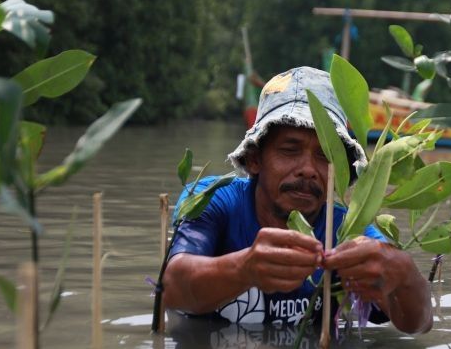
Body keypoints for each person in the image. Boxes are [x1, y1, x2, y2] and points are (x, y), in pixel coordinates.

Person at [162, 66, 432, 334]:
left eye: (325, 156)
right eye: (290, 151)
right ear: (255, 159)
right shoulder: (214, 199)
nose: (308, 169)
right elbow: (171, 288)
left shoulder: (345, 230)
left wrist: (404, 274)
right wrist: (245, 269)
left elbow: (417, 324)